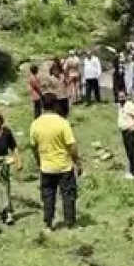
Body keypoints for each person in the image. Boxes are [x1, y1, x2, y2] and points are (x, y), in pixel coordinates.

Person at [30, 93, 82, 230]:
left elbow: (33, 147)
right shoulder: (63, 123)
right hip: (64, 166)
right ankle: (70, 223)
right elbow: (72, 146)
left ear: (42, 105)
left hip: (46, 167)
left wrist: (38, 161)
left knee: (48, 196)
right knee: (68, 194)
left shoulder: (35, 124)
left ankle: (48, 223)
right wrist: (78, 163)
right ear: (55, 105)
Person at [117, 91, 134, 178]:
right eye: (119, 97)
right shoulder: (120, 106)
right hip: (124, 132)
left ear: (126, 97)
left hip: (130, 132)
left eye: (122, 97)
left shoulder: (129, 105)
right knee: (128, 152)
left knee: (132, 152)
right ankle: (132, 170)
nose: (121, 99)